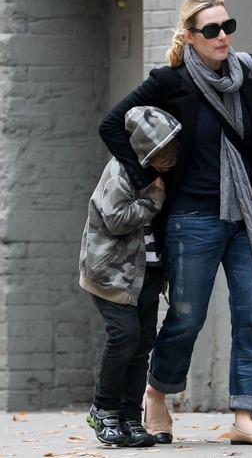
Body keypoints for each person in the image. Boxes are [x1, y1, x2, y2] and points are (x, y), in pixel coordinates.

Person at [98, 0, 252, 446]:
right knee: (187, 317)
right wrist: (148, 175)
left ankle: (244, 416)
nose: (223, 35)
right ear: (190, 36)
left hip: (248, 211)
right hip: (193, 216)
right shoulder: (170, 81)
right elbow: (112, 124)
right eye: (211, 30)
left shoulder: (249, 70)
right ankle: (156, 393)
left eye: (227, 25)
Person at [80, 106, 181, 447]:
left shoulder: (162, 174)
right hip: (111, 274)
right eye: (161, 156)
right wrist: (155, 199)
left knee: (141, 346)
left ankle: (129, 417)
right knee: (123, 337)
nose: (168, 162)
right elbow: (116, 219)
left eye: (171, 155)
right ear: (144, 152)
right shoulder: (121, 173)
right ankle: (103, 409)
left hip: (147, 274)